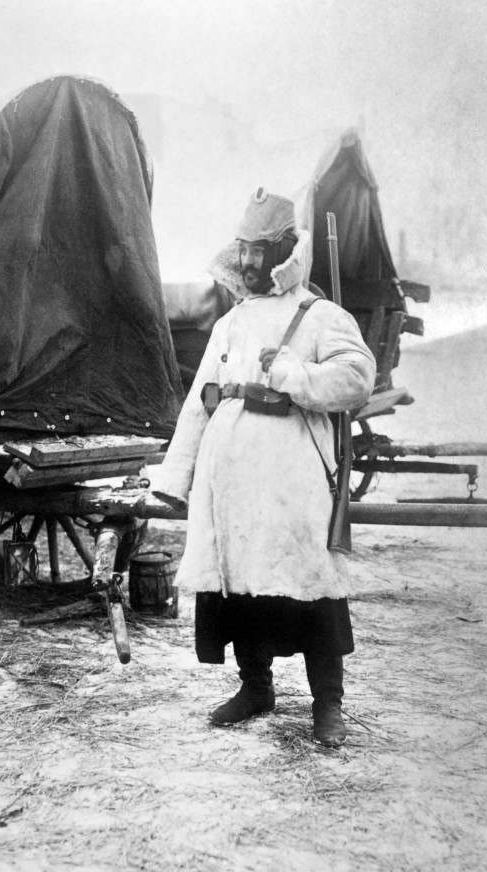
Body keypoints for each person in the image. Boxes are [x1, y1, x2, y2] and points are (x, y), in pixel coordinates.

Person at [152, 189, 376, 747]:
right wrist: (176, 478)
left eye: (260, 251)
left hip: (292, 484)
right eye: (243, 250)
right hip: (230, 484)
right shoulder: (230, 324)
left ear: (285, 252)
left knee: (310, 589)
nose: (249, 262)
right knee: (238, 590)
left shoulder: (322, 316)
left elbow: (357, 377)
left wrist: (297, 373)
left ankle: (328, 706)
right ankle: (256, 688)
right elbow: (201, 400)